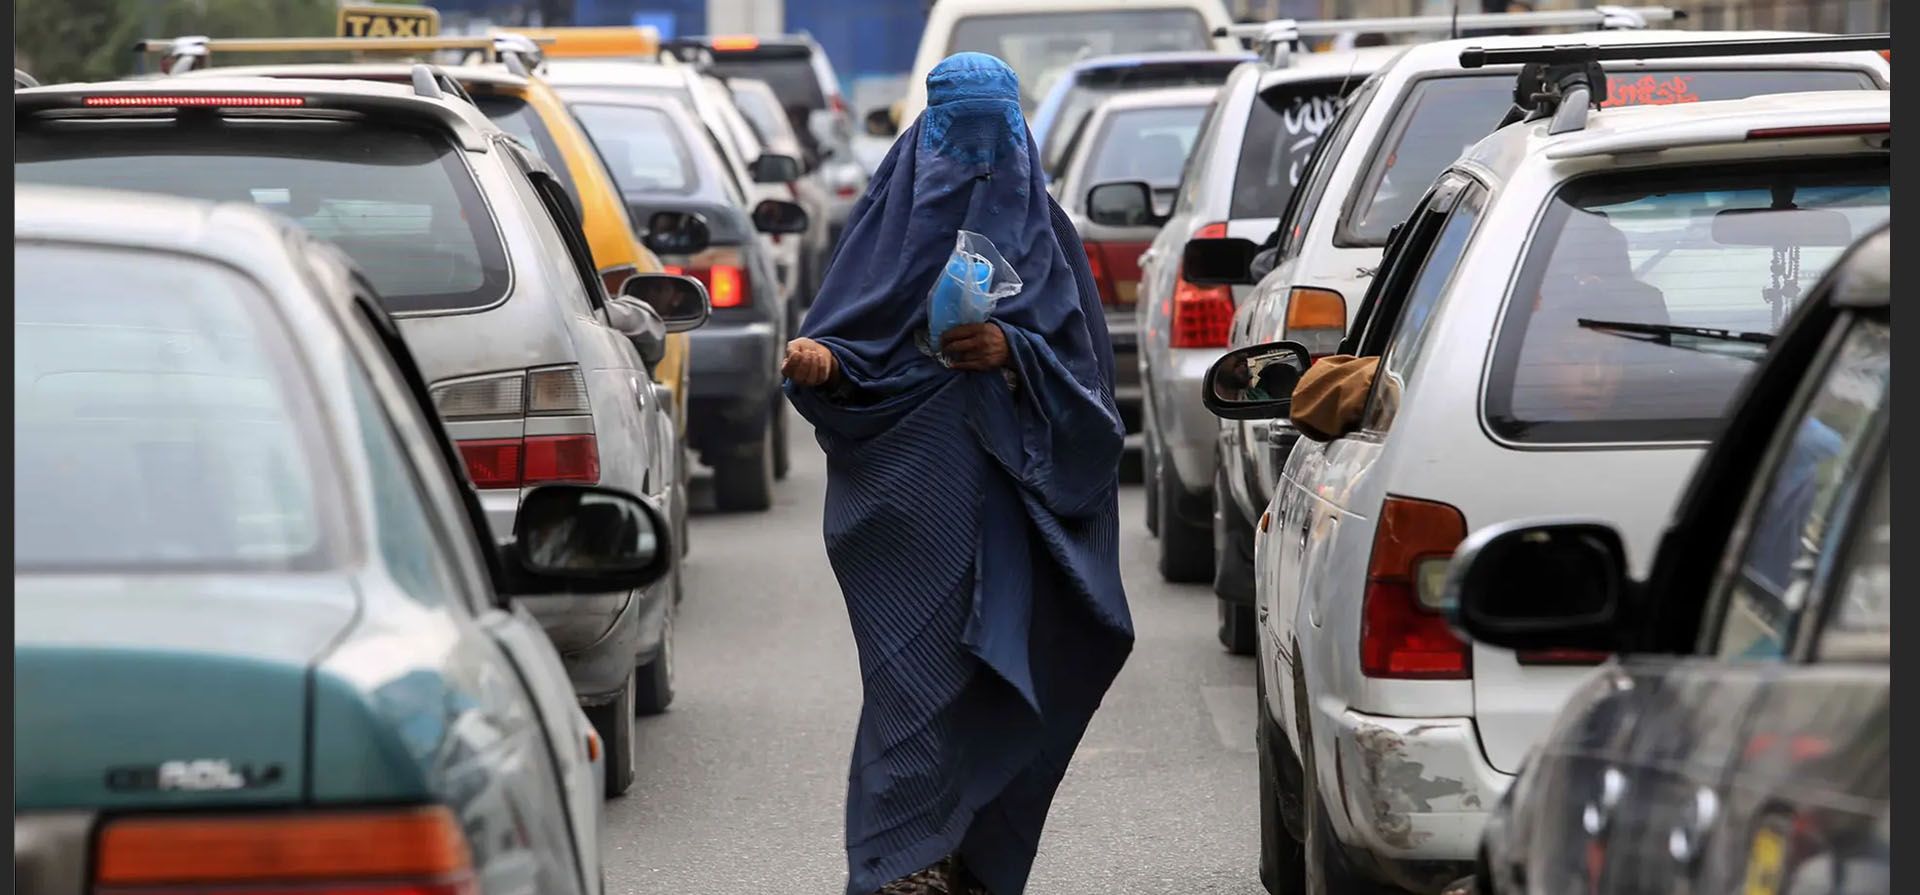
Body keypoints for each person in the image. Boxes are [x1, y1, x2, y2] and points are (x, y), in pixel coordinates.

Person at [780, 53, 1135, 895]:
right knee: (914, 683)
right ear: (924, 131)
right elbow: (849, 338)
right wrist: (824, 362)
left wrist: (1015, 353)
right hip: (910, 504)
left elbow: (1090, 394)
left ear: (1017, 133)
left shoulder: (1048, 237)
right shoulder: (883, 228)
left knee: (1009, 676)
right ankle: (903, 862)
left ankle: (975, 858)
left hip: (1019, 508)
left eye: (994, 135)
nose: (977, 158)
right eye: (956, 133)